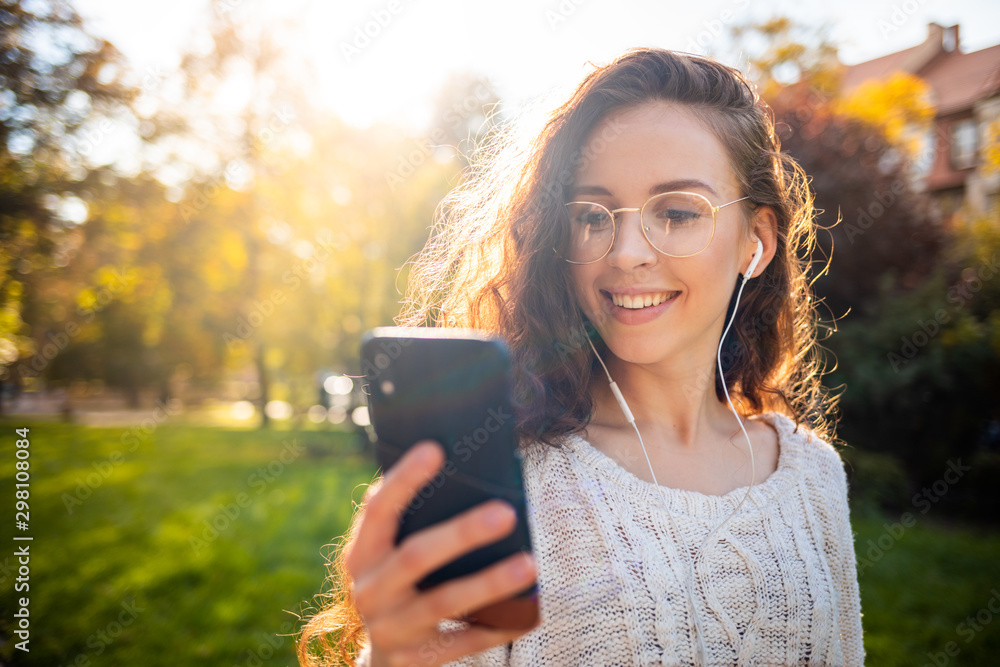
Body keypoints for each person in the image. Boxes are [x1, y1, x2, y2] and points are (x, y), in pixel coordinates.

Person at [296, 47, 865, 666]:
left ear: (755, 243)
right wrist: (391, 656)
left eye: (676, 212)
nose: (624, 253)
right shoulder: (510, 484)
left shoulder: (813, 476)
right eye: (593, 216)